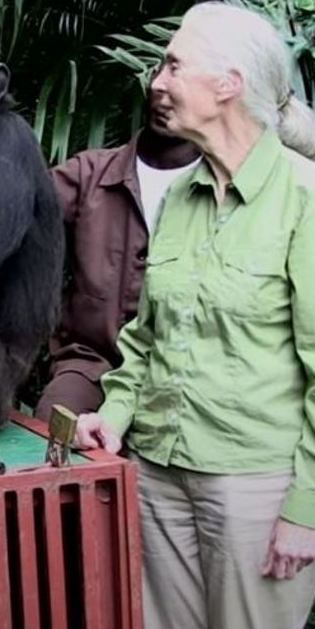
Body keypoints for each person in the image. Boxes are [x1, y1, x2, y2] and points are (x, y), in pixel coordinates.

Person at [71, 1, 315, 629]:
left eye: (174, 63)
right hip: (162, 473)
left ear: (227, 83)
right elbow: (147, 337)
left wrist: (304, 510)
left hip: (255, 486)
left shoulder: (309, 200)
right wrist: (112, 416)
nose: (158, 78)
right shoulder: (181, 197)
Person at [34, 109, 201, 421]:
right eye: (163, 70)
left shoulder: (221, 184)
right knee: (52, 426)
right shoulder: (91, 172)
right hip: (91, 361)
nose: (165, 89)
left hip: (184, 365)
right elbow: (18, 216)